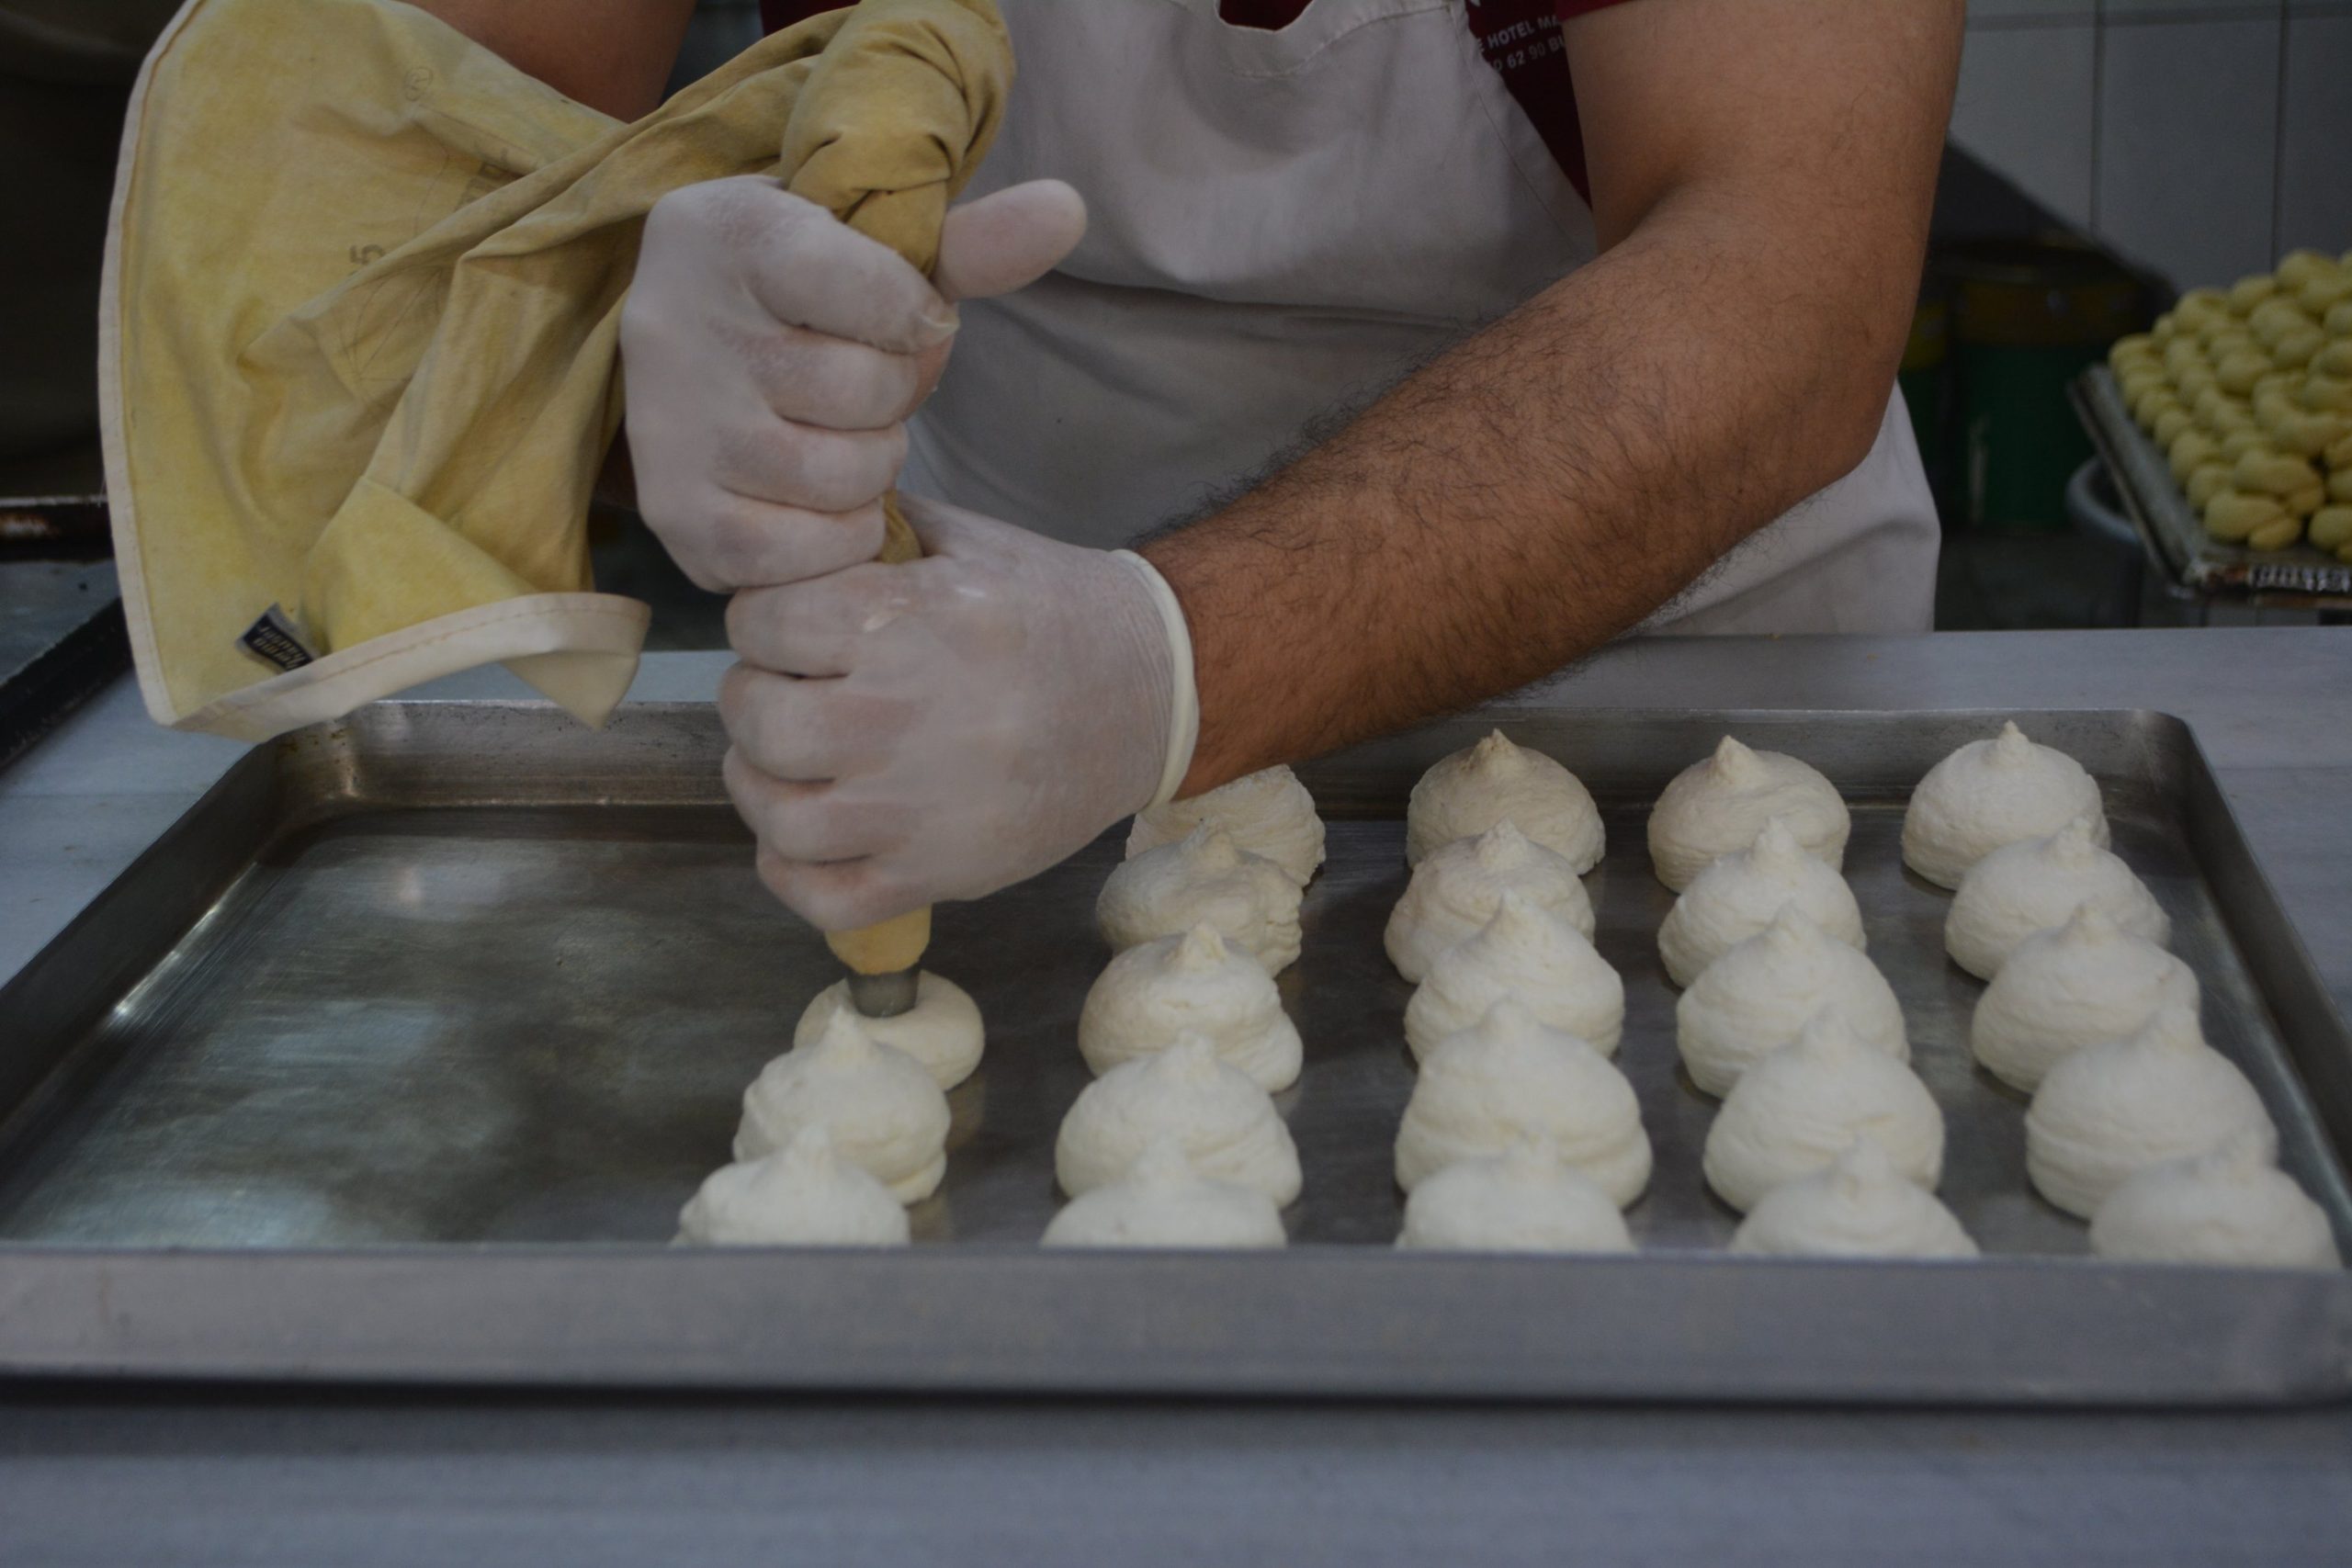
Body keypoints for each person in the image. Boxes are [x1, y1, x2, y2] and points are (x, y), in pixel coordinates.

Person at [425, 0, 1964, 932]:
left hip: (1678, 691)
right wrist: (615, 342)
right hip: (959, 721)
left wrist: (1165, 660)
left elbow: (1786, 276)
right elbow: (434, 170)